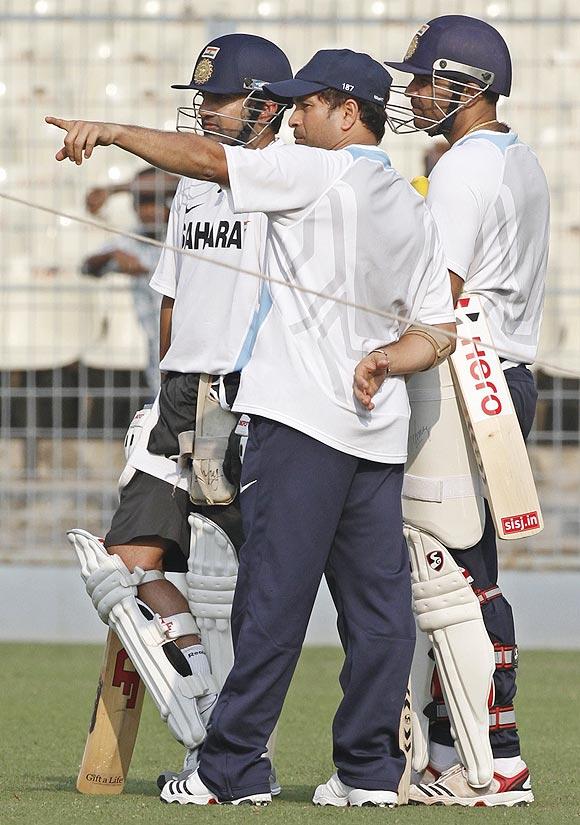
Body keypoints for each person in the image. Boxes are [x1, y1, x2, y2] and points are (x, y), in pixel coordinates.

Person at [47, 47, 457, 807]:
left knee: (270, 601)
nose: (293, 119)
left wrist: (110, 131)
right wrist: (384, 362)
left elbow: (206, 157)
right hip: (374, 433)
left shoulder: (319, 169)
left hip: (299, 425)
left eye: (307, 106)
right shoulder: (408, 200)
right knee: (378, 611)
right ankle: (367, 772)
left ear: (347, 113)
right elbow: (438, 330)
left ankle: (231, 768)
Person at [61, 32, 292, 790]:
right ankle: (207, 720)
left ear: (263, 106)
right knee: (124, 569)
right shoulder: (192, 188)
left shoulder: (282, 174)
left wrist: (115, 131)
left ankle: (237, 748)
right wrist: (164, 389)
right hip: (181, 391)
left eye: (218, 98)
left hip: (246, 393)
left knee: (244, 584)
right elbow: (172, 295)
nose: (204, 110)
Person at [377, 14, 548, 806]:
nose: (412, 93)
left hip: (463, 382)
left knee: (454, 573)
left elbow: (433, 300)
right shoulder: (519, 159)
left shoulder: (461, 170)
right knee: (464, 567)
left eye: (424, 80)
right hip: (505, 374)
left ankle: (497, 759)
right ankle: (454, 750)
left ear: (467, 86)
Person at [81, 166, 177, 394]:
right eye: (141, 203)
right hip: (157, 352)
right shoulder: (131, 240)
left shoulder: (183, 237)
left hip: (189, 345)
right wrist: (111, 255)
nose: (147, 211)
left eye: (154, 201)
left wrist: (114, 189)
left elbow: (180, 178)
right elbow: (87, 267)